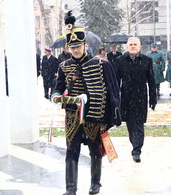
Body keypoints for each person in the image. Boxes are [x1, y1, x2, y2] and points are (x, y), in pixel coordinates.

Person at [51, 11, 121, 195]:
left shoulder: (100, 64)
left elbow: (113, 90)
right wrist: (57, 96)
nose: (75, 50)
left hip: (93, 115)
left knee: (95, 150)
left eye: (78, 46)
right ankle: (70, 188)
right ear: (68, 47)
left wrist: (114, 113)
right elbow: (57, 88)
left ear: (85, 45)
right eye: (72, 47)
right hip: (72, 116)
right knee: (71, 151)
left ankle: (95, 183)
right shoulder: (63, 66)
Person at [115, 37, 157, 163]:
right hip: (126, 98)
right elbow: (116, 81)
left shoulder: (146, 60)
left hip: (140, 97)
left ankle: (137, 150)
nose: (133, 46)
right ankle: (135, 145)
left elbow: (151, 81)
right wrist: (115, 99)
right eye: (131, 44)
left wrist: (153, 98)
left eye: (135, 44)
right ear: (127, 47)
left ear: (139, 46)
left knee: (138, 124)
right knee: (130, 125)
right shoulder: (120, 60)